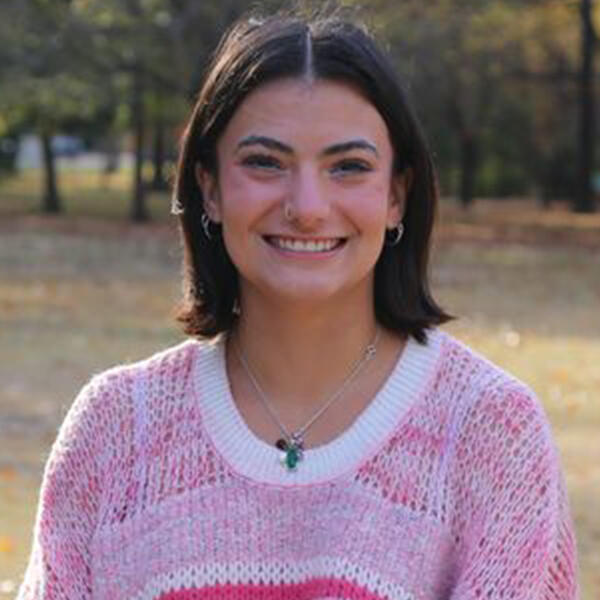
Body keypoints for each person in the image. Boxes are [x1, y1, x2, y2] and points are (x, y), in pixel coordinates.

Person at [18, 7, 579, 600]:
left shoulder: (490, 434)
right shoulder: (115, 430)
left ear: (396, 196)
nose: (307, 206)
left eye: (349, 167)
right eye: (265, 162)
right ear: (208, 188)